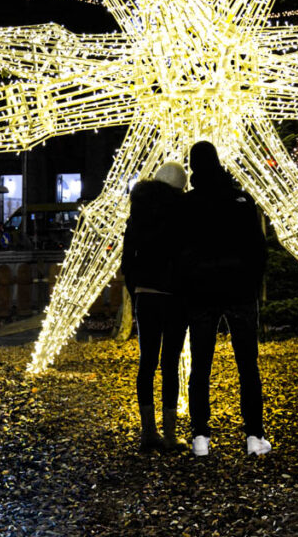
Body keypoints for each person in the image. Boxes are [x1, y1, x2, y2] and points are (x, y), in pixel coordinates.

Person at [180, 140, 269, 457]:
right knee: (248, 365)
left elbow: (180, 250)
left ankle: (201, 436)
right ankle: (254, 436)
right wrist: (251, 281)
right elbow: (258, 249)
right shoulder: (241, 200)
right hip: (239, 291)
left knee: (200, 365)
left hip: (202, 292)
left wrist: (190, 281)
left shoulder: (187, 204)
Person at [121, 161, 188, 452]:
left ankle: (148, 432)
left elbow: (127, 258)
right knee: (170, 363)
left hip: (146, 293)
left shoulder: (138, 212)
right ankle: (171, 434)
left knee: (146, 362)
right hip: (175, 294)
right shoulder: (183, 211)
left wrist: (135, 290)